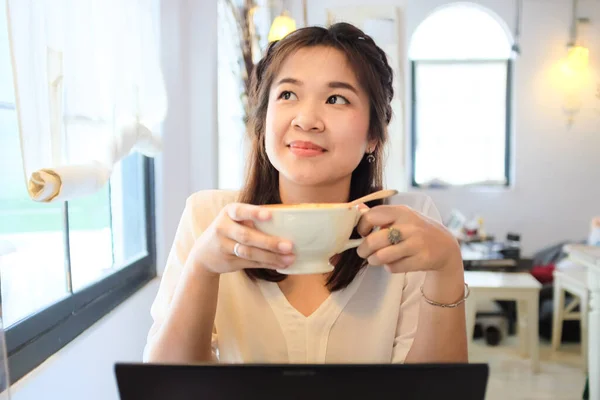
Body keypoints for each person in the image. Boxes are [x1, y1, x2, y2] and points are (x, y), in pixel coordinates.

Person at [143, 22, 467, 364]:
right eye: (287, 95)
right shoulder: (208, 216)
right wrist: (201, 268)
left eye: (336, 98)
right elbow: (166, 388)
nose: (307, 119)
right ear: (263, 121)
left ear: (374, 133)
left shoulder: (409, 225)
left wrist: (447, 268)